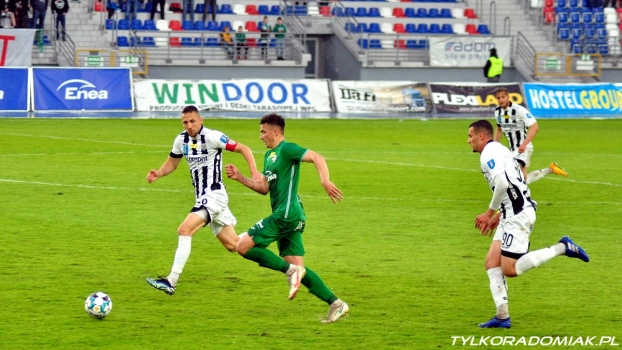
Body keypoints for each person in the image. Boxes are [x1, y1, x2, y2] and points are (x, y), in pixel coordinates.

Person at [225, 113, 349, 324]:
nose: (260, 137)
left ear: (275, 131)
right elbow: (264, 188)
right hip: (292, 217)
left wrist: (325, 180)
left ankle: (290, 271)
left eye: (263, 132)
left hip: (285, 214)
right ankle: (337, 304)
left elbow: (317, 157)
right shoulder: (269, 156)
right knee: (299, 267)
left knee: (242, 246)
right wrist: (240, 177)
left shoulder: (288, 149)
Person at [467, 119, 589, 329]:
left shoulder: (488, 154)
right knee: (491, 262)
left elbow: (504, 184)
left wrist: (488, 213)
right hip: (511, 212)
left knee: (510, 269)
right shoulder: (500, 149)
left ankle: (562, 247)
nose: (468, 141)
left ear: (481, 136)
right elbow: (516, 183)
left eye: (470, 136)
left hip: (518, 215)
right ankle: (502, 316)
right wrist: (498, 215)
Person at [145, 105, 261, 295]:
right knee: (234, 245)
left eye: (192, 121)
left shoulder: (213, 137)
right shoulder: (181, 140)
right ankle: (271, 235)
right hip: (205, 198)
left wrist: (254, 171)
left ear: (200, 120)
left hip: (214, 195)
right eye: (185, 122)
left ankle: (171, 281)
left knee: (184, 229)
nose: (189, 126)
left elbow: (243, 148)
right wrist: (158, 173)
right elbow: (171, 164)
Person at [493, 87, 568, 184]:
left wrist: (524, 144)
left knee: (513, 176)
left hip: (524, 148)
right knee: (522, 180)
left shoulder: (519, 110)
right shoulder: (497, 111)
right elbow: (499, 128)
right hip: (513, 150)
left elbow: (534, 127)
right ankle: (551, 169)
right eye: (498, 98)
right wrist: (494, 146)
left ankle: (519, 198)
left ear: (508, 97)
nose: (501, 100)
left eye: (503, 97)